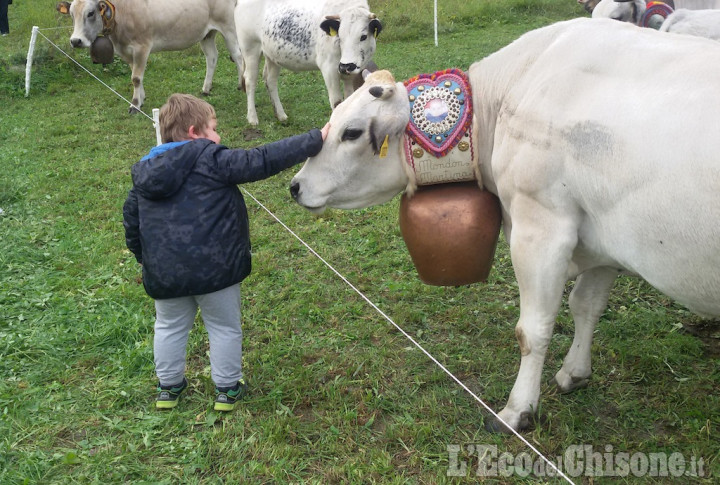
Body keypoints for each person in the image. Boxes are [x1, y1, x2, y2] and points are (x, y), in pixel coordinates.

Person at [123, 93, 329, 411]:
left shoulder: (145, 174)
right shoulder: (212, 159)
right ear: (194, 132)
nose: (218, 137)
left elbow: (131, 225)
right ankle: (227, 389)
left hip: (164, 274)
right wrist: (315, 139)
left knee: (168, 326)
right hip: (216, 272)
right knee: (223, 327)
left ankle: (168, 388)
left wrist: (146, 260)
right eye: (214, 129)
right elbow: (261, 159)